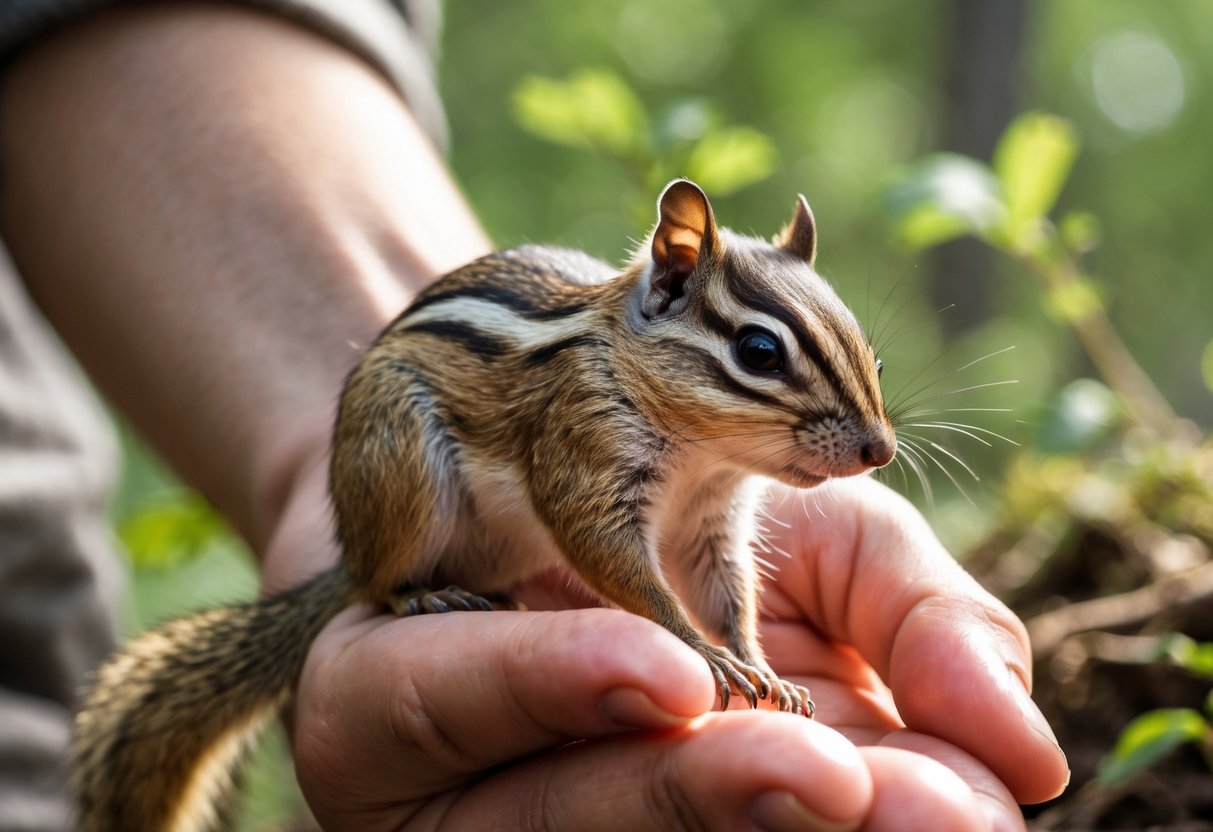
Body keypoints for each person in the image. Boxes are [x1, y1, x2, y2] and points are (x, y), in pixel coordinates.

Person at [0, 3, 1069, 829]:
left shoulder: (706, 431)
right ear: (668, 284)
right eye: (762, 359)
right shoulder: (599, 397)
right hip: (414, 455)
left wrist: (741, 652)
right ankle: (403, 584)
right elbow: (597, 528)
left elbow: (710, 550)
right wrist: (675, 633)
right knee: (411, 412)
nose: (869, 445)